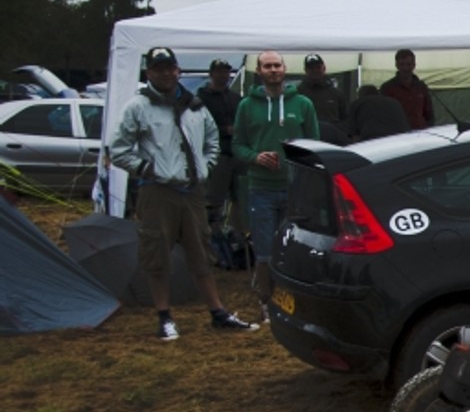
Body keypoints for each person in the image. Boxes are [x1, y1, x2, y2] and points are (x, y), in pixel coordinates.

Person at [107, 47, 259, 340]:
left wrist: (206, 165)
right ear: (149, 73)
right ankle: (164, 316)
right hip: (157, 190)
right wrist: (146, 169)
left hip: (192, 191)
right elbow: (119, 149)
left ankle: (217, 311)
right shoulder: (138, 107)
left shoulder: (195, 106)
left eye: (170, 68)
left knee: (201, 250)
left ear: (178, 71)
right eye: (158, 69)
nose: (165, 74)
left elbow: (212, 139)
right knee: (157, 252)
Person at [233, 50, 320, 303]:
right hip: (261, 188)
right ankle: (266, 302)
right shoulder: (246, 106)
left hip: (295, 189)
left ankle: (294, 302)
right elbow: (237, 145)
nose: (273, 70)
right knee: (264, 251)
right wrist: (255, 157)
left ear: (284, 69)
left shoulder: (303, 104)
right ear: (259, 71)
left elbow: (314, 144)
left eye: (277, 65)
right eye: (267, 66)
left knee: (295, 250)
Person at [196, 58, 245, 240]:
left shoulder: (236, 98)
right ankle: (210, 237)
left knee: (240, 199)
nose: (223, 75)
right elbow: (197, 126)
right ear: (211, 74)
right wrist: (224, 130)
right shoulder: (201, 99)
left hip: (237, 154)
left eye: (226, 71)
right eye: (219, 71)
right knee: (212, 200)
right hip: (216, 156)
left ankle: (238, 237)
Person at [381, 48, 435, 130]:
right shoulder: (387, 88)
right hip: (398, 133)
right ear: (396, 65)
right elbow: (384, 116)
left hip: (421, 133)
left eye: (408, 64)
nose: (405, 68)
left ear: (414, 65)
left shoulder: (421, 87)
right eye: (402, 64)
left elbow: (429, 114)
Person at [297, 54, 348, 137]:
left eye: (318, 67)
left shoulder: (336, 93)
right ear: (306, 70)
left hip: (332, 138)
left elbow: (345, 118)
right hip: (307, 137)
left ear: (324, 68)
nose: (315, 71)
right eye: (311, 68)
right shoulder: (299, 93)